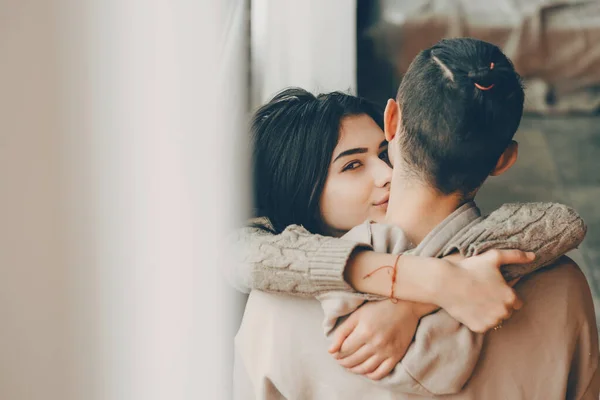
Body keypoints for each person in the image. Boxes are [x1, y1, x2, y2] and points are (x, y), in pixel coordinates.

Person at [230, 38, 597, 399]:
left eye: (383, 153)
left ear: (392, 122)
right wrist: (436, 281)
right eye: (352, 165)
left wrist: (421, 295)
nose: (385, 174)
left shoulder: (276, 313)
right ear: (504, 160)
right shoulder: (563, 289)